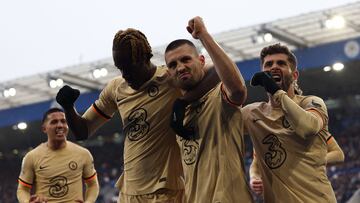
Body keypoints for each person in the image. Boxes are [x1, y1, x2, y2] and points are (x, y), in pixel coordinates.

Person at [56, 28, 216, 202]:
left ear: (144, 57)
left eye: (129, 68)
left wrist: (183, 101)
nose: (125, 75)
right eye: (120, 68)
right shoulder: (116, 88)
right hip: (128, 192)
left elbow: (218, 71)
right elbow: (82, 131)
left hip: (166, 192)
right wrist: (68, 107)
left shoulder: (170, 77)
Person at [164, 16, 253, 203]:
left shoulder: (219, 96)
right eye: (173, 65)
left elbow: (238, 89)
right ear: (168, 73)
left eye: (186, 59)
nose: (180, 67)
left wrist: (203, 35)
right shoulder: (178, 113)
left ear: (202, 60)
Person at [242, 43, 337, 202]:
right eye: (268, 64)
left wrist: (276, 92)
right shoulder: (253, 113)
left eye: (281, 63)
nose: (274, 67)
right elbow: (218, 127)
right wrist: (254, 176)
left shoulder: (310, 103)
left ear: (294, 75)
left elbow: (308, 127)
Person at [16, 108, 99, 203]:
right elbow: (23, 189)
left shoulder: (83, 154)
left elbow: (92, 184)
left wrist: (88, 202)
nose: (60, 125)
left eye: (63, 121)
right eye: (54, 122)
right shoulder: (31, 157)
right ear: (44, 128)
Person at [249, 132, 345, 196]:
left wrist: (308, 162)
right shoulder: (263, 130)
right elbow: (256, 164)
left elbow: (338, 155)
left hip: (313, 193)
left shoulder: (309, 121)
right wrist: (254, 177)